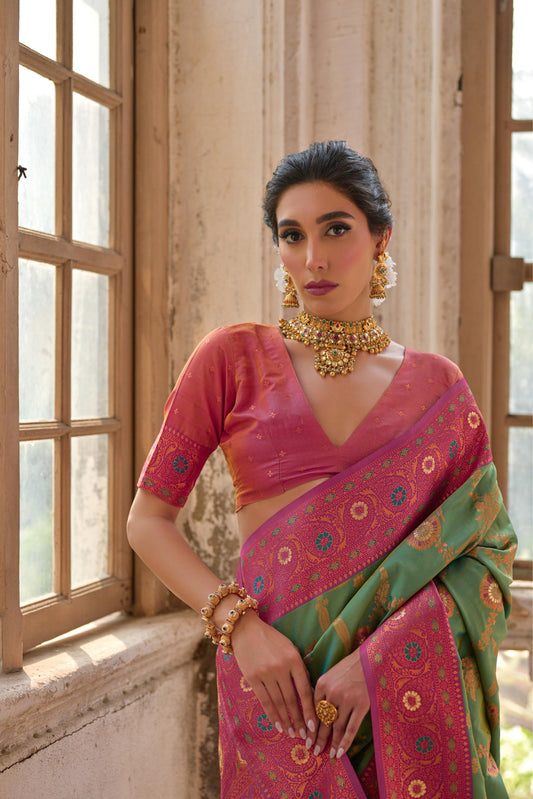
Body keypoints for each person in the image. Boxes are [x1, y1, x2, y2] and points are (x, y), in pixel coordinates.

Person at [127, 141, 516, 798]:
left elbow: (486, 551)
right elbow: (147, 520)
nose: (313, 257)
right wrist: (239, 627)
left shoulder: (437, 386)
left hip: (396, 690)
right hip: (275, 683)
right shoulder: (231, 358)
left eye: (335, 228)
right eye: (291, 234)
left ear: (379, 236)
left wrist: (380, 664)